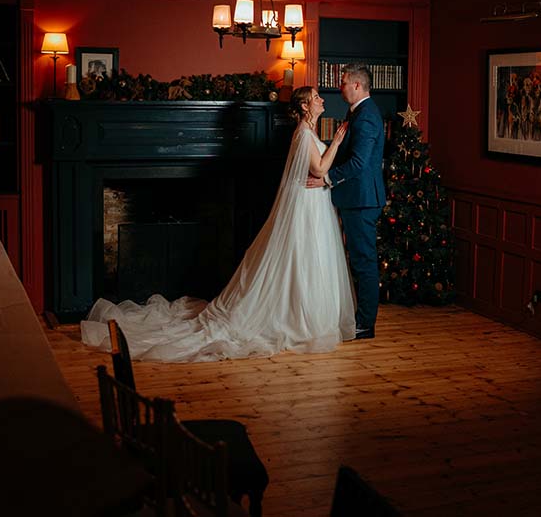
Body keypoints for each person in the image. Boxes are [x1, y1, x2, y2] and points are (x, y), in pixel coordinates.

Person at [80, 86, 355, 361]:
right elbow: (319, 169)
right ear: (305, 107)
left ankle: (303, 315)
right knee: (300, 260)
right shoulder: (305, 134)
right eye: (316, 97)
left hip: (312, 205)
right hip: (305, 208)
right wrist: (337, 143)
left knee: (306, 261)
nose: (321, 100)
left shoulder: (308, 133)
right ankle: (298, 320)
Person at [309, 64, 386, 340]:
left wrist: (326, 177)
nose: (339, 87)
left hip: (362, 200)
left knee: (364, 262)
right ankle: (360, 319)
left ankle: (365, 324)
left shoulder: (365, 117)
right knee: (359, 260)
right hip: (357, 198)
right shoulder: (358, 112)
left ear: (356, 85)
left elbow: (358, 162)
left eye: (343, 83)